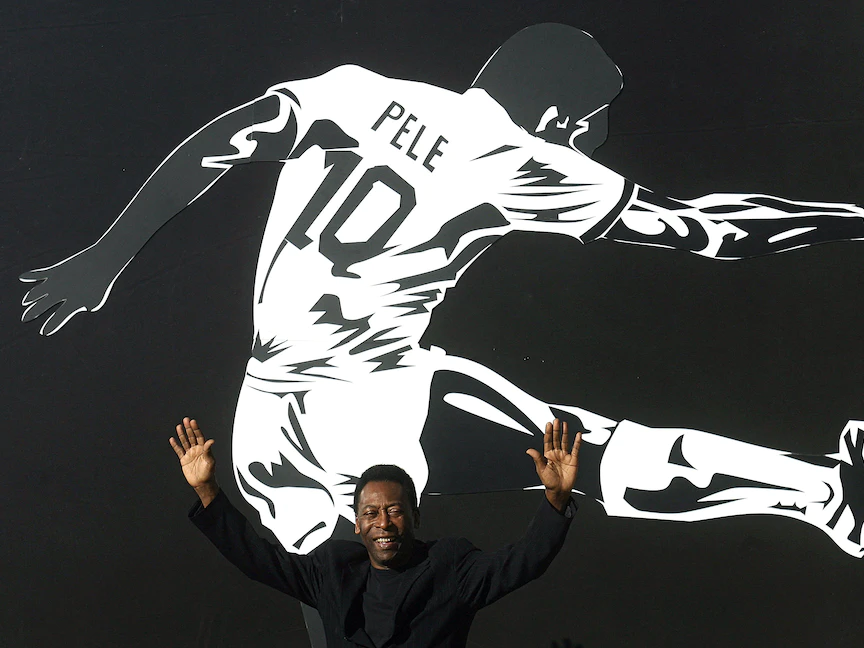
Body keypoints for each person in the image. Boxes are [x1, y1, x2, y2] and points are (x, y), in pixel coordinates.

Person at [21, 24, 864, 561]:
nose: (594, 142)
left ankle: (823, 494)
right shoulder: (526, 160)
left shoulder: (356, 91)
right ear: (562, 119)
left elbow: (225, 140)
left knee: (337, 598)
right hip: (373, 399)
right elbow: (715, 230)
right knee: (596, 457)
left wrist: (107, 257)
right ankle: (824, 495)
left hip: (264, 422)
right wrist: (852, 219)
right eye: (593, 124)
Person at [170, 416, 581, 648]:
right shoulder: (332, 571)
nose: (383, 523)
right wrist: (208, 491)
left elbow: (523, 561)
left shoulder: (450, 568)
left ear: (415, 516)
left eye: (394, 511)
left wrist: (557, 499)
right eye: (371, 513)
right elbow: (259, 559)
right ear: (357, 522)